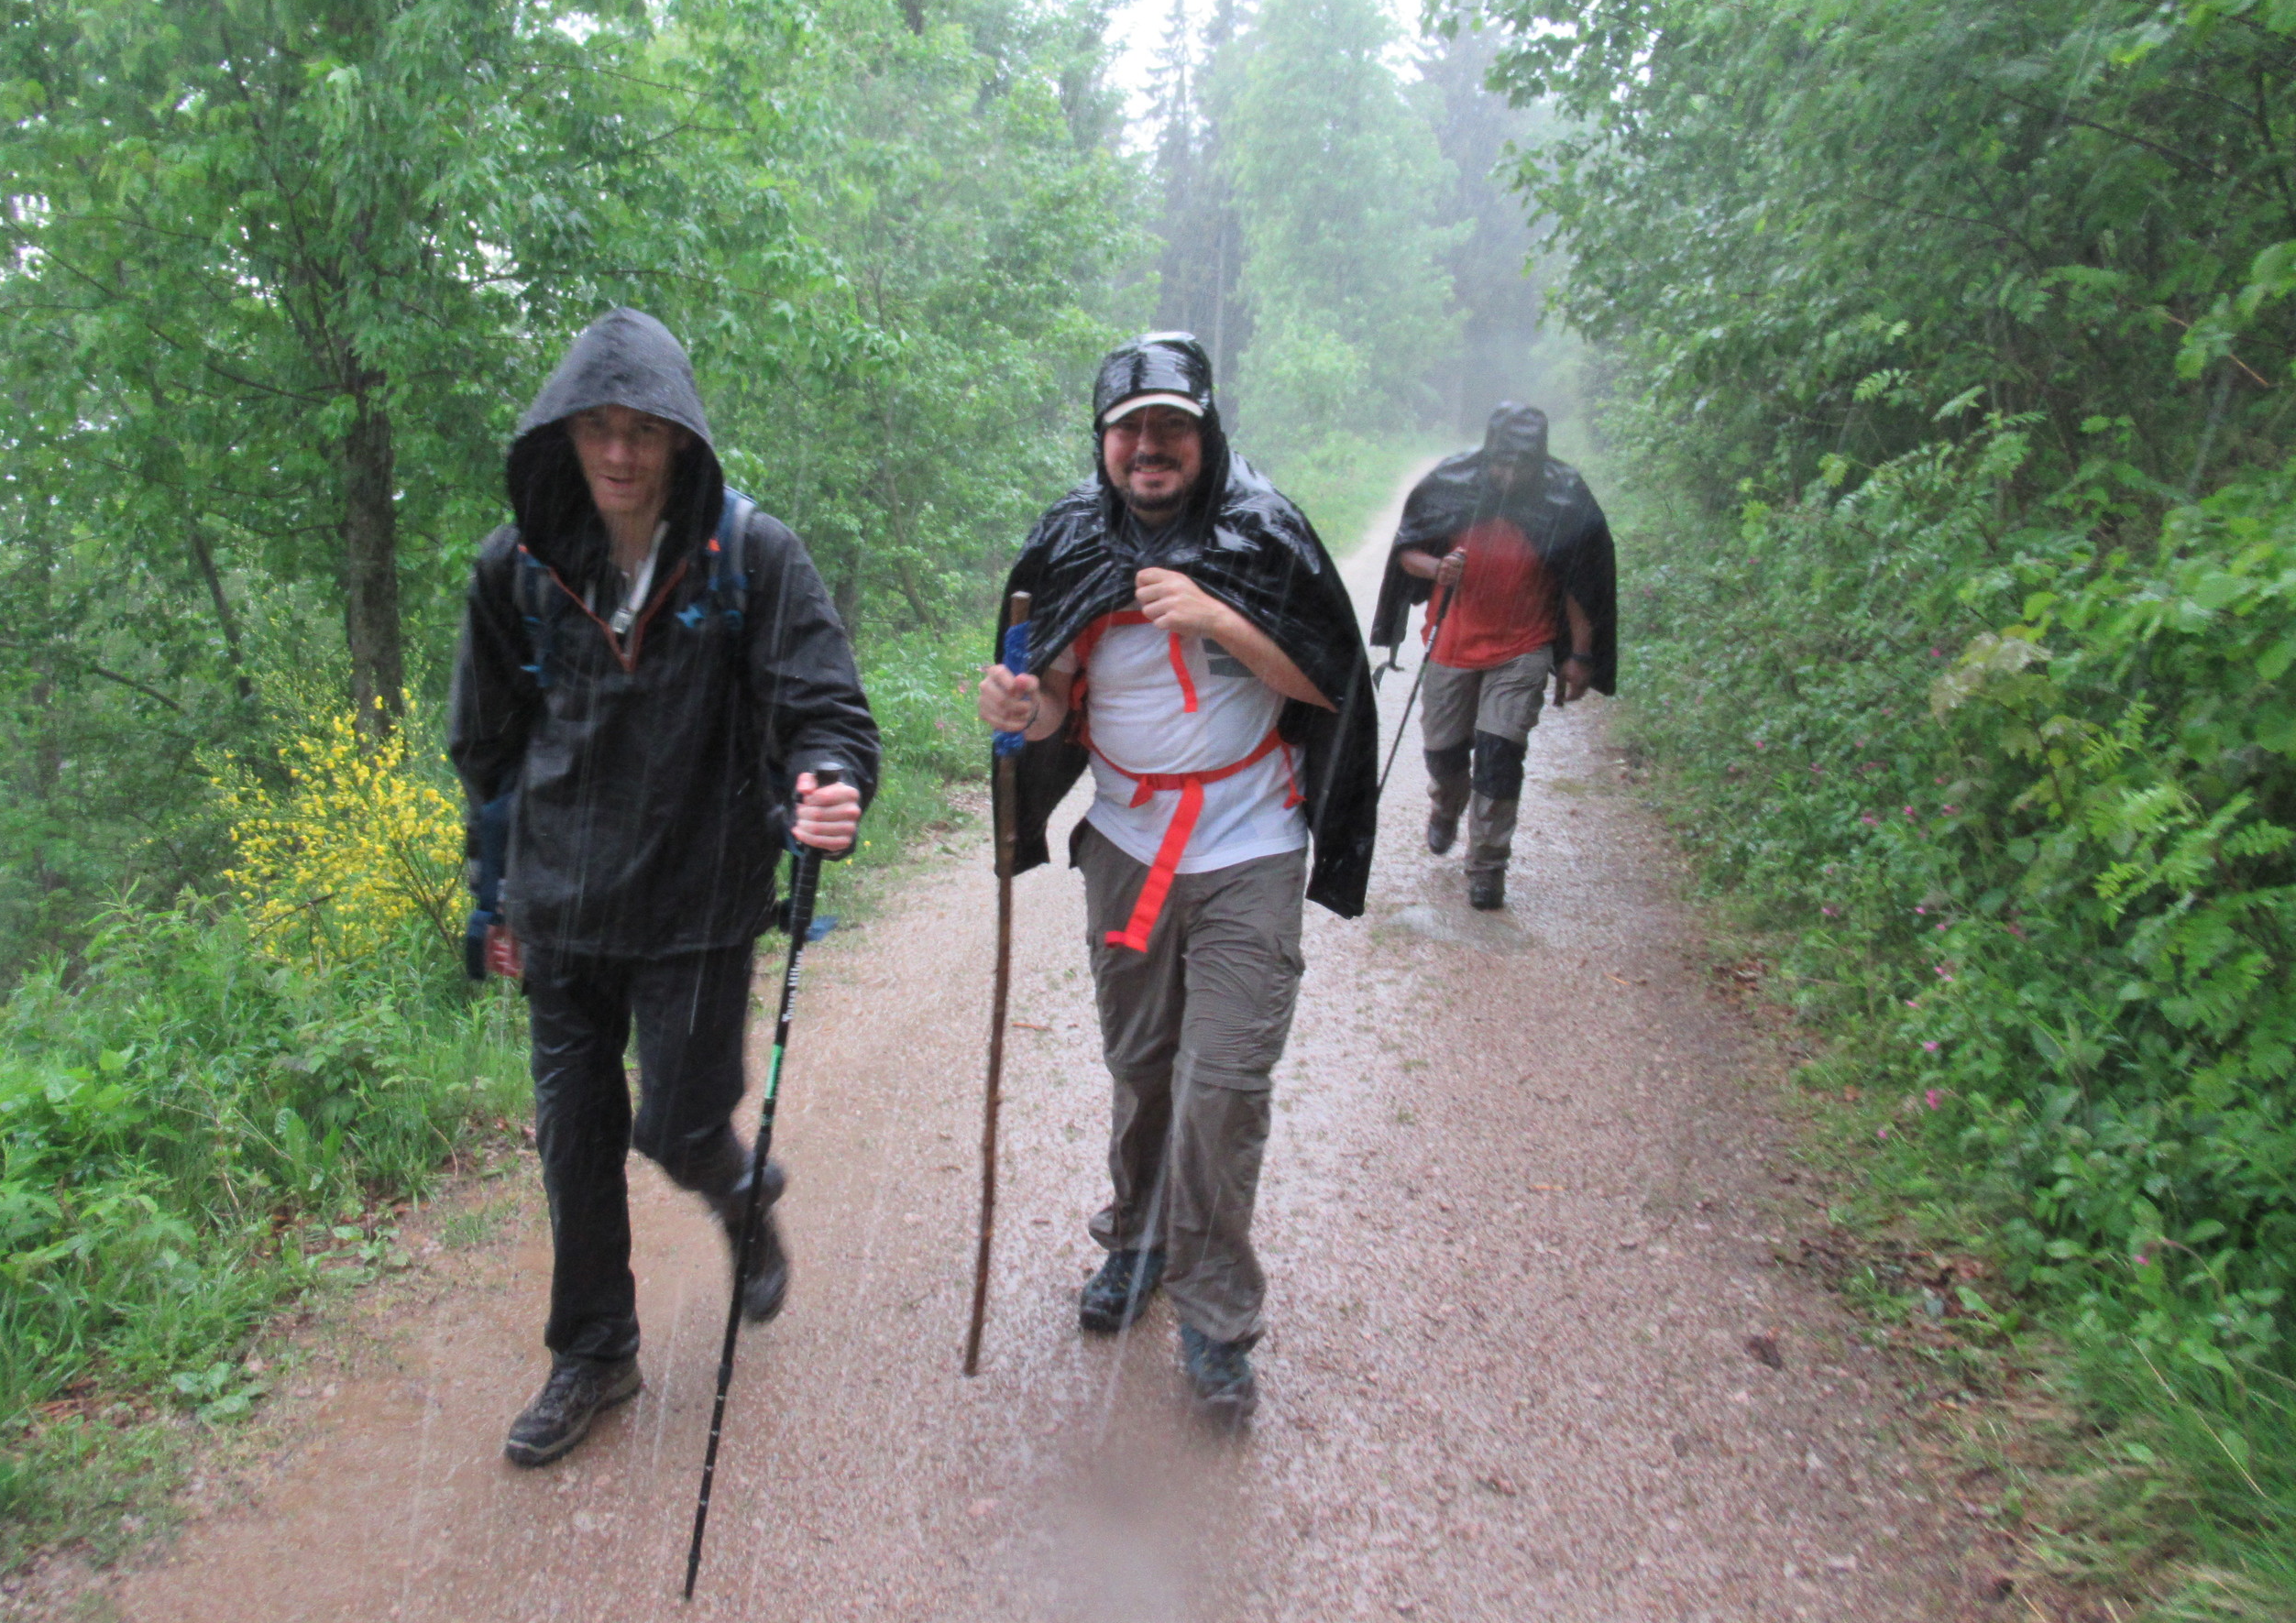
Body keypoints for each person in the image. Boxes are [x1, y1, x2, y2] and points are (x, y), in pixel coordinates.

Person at [450, 308, 880, 1468]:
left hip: (697, 901)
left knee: (679, 1127)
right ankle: (594, 1351)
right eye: (598, 427)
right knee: (574, 1139)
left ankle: (737, 1193)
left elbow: (825, 713)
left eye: (643, 429)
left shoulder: (752, 556)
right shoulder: (515, 569)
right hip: (559, 906)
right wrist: (491, 899)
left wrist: (831, 785)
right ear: (564, 432)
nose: (620, 453)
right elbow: (485, 747)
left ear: (682, 438)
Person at [977, 332, 1377, 1425]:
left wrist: (1218, 618)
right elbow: (1052, 701)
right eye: (1130, 429)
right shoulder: (1071, 538)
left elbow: (1330, 681)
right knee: (1142, 1067)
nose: (1149, 447)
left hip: (1250, 848)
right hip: (1127, 847)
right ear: (1103, 440)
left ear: (1206, 434)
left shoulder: (1262, 531)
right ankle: (1139, 1241)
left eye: (1171, 427)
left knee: (1223, 1088)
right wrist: (1020, 709)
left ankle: (1215, 1315)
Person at [1368, 401, 1617, 912]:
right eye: (1501, 462)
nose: (1509, 474)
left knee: (1500, 756)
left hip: (1523, 648)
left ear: (1538, 459)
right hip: (1451, 645)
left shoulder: (1562, 498)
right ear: (1489, 454)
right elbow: (1406, 552)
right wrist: (1437, 569)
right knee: (1443, 752)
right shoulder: (1453, 485)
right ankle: (1447, 804)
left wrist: (1581, 655)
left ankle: (1487, 866)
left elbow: (1580, 583)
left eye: (1521, 464)